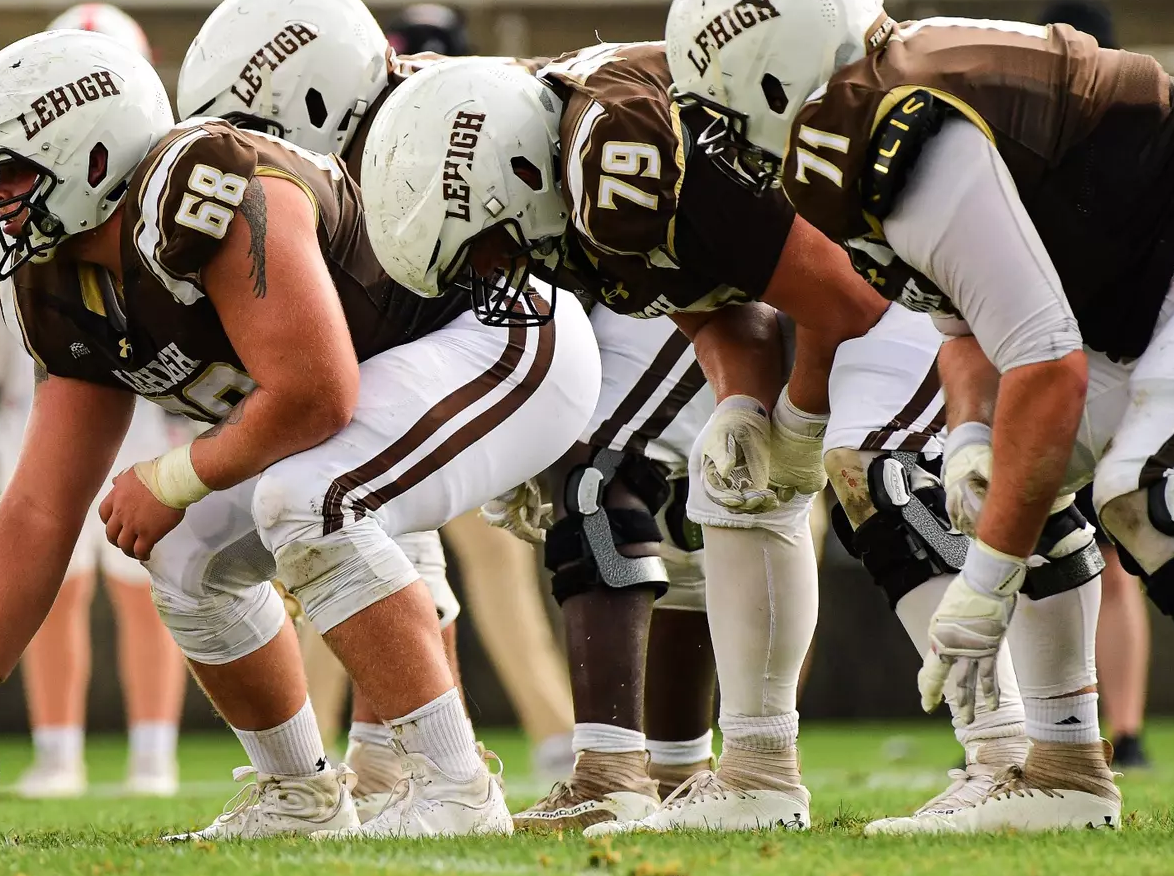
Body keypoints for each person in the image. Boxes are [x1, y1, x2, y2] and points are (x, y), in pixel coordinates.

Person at [0, 28, 601, 841]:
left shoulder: (210, 190)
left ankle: (457, 791)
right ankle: (300, 796)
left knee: (307, 499)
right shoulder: (60, 283)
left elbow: (317, 395)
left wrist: (173, 476)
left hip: (502, 336)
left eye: (14, 173)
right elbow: (40, 506)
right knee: (184, 553)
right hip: (387, 395)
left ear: (91, 154)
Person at [667, 0, 1174, 836]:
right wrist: (967, 440)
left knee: (1148, 490)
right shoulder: (876, 105)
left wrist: (986, 583)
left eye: (722, 108)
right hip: (1173, 282)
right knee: (1010, 479)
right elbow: (963, 323)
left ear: (772, 74)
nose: (723, 139)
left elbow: (1046, 364)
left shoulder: (899, 129)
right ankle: (1065, 769)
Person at [356, 49, 1038, 836]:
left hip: (914, 266)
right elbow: (717, 304)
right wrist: (745, 406)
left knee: (875, 474)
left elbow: (841, 303)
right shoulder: (565, 165)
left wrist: (799, 422)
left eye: (487, 249)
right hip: (876, 275)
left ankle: (1011, 758)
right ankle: (758, 773)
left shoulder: (615, 163)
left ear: (515, 172)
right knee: (736, 486)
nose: (498, 274)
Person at [170, 0, 584, 806]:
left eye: (247, 129)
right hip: (425, 378)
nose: (241, 156)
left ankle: (502, 768)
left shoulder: (434, 124)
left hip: (511, 352)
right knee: (314, 534)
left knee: (324, 511)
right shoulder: (329, 161)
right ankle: (354, 772)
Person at [0, 2, 187, 799]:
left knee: (149, 577)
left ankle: (153, 751)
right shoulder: (11, 178)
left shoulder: (169, 178)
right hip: (46, 391)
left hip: (147, 393)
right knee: (52, 575)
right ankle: (59, 751)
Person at [1039, 0, 1153, 770]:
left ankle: (1090, 729)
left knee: (1092, 554)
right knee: (1108, 559)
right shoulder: (1141, 139)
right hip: (1107, 365)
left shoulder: (1060, 148)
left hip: (1081, 368)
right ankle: (1116, 732)